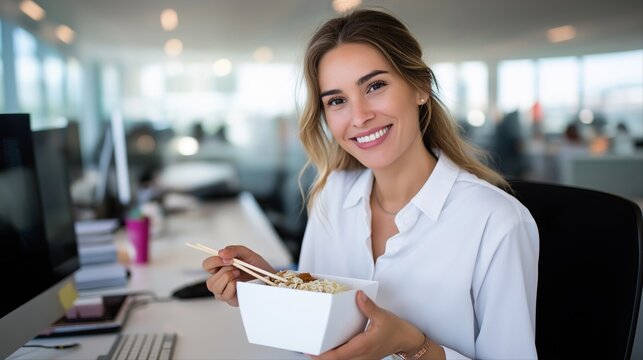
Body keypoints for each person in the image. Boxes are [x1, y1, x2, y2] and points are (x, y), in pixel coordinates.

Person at [203, 8, 539, 359]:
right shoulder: (332, 194)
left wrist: (411, 344)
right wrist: (271, 284)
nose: (360, 116)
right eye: (337, 100)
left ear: (420, 88)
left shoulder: (497, 221)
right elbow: (313, 332)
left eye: (375, 86)